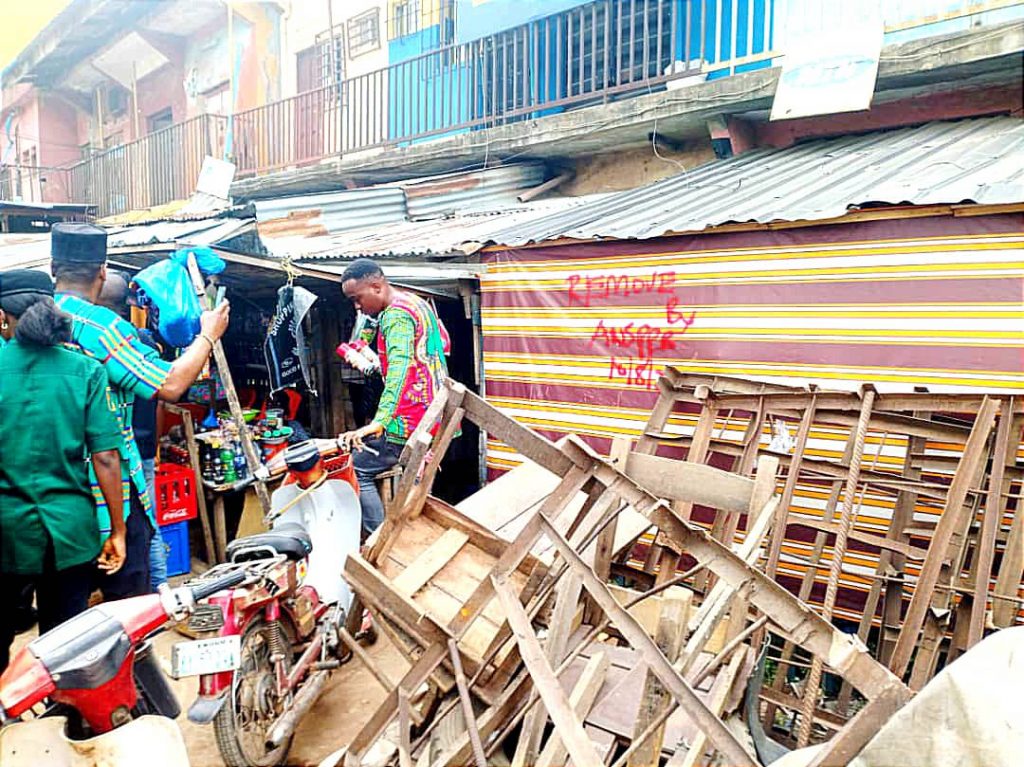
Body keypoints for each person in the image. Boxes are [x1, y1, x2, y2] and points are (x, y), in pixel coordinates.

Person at [51, 223, 230, 599]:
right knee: (128, 609)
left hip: (51, 494)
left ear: (53, 268)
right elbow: (169, 385)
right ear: (102, 272)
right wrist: (207, 335)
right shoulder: (100, 327)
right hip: (105, 492)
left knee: (65, 614)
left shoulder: (29, 320)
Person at [0, 269, 125, 671]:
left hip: (5, 530)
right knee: (65, 644)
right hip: (69, 532)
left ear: (3, 317)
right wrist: (118, 531)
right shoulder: (85, 370)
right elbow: (106, 457)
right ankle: (68, 724)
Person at [337, 259, 452, 534]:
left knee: (356, 468)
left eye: (357, 298)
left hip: (411, 421)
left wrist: (380, 420)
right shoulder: (414, 303)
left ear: (376, 287)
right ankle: (407, 533)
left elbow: (400, 370)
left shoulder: (396, 317)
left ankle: (379, 536)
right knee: (414, 490)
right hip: (436, 411)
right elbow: (443, 345)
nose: (357, 306)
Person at [98, 270, 167, 591]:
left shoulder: (100, 342)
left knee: (131, 525)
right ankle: (160, 590)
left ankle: (153, 592)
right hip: (142, 445)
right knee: (146, 522)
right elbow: (161, 398)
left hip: (118, 450)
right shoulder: (143, 341)